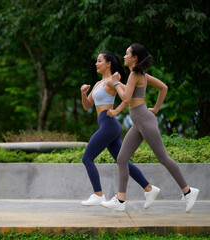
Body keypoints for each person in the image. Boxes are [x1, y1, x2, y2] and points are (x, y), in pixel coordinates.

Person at [101, 43, 199, 213]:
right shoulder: (140, 75)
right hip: (139, 122)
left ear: (134, 58)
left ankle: (188, 191)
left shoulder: (134, 74)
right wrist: (155, 108)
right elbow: (163, 88)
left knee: (163, 158)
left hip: (144, 121)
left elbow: (125, 96)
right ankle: (121, 200)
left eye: (126, 54)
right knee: (122, 159)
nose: (124, 57)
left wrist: (116, 83)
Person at [80, 51, 159, 208]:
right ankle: (149, 188)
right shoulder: (97, 84)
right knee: (122, 161)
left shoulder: (112, 81)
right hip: (107, 125)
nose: (96, 63)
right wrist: (83, 93)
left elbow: (127, 98)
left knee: (87, 158)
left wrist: (116, 110)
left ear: (108, 64)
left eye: (99, 61)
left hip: (109, 124)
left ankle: (98, 194)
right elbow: (87, 106)